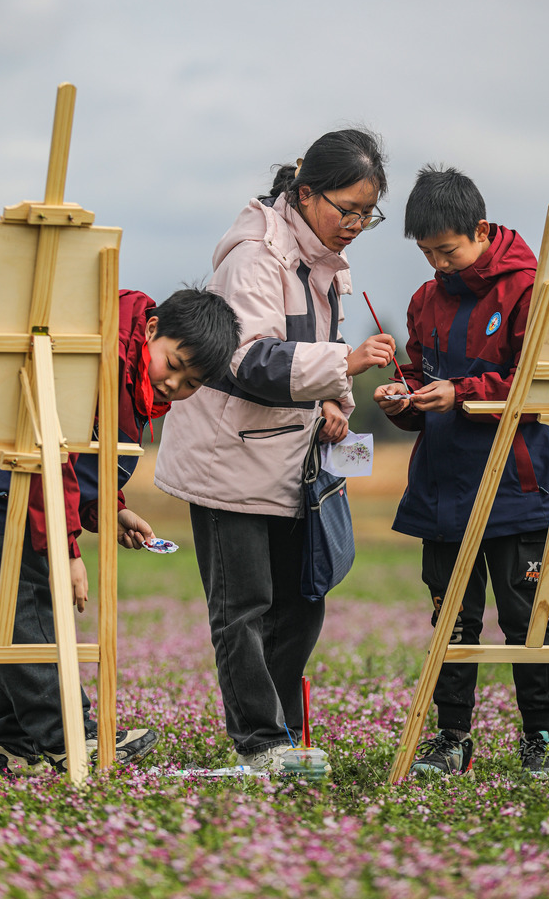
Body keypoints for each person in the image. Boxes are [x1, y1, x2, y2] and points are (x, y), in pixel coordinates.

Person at [155, 128, 397, 772]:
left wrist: (334, 406)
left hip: (289, 458)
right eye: (346, 209)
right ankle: (261, 743)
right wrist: (343, 363)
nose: (355, 224)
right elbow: (244, 360)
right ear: (307, 192)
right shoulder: (256, 257)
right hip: (227, 458)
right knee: (245, 608)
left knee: (303, 600)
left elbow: (306, 371)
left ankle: (283, 734)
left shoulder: (327, 266)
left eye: (366, 214)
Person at [0, 286, 240, 778]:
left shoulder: (130, 370)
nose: (175, 385)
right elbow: (51, 457)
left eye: (192, 383)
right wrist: (68, 553)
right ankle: (68, 737)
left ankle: (18, 744)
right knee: (31, 610)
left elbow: (87, 458)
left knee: (14, 619)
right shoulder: (95, 354)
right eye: (175, 363)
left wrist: (110, 508)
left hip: (19, 496)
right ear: (150, 330)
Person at [374, 165, 549, 778]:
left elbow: (538, 387)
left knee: (523, 615)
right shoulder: (423, 302)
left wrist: (459, 392)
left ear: (480, 229)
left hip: (516, 482)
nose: (438, 264)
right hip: (442, 486)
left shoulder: (531, 290)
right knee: (451, 617)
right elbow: (424, 380)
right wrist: (403, 397)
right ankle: (451, 740)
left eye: (447, 250)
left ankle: (538, 739)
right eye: (427, 252)